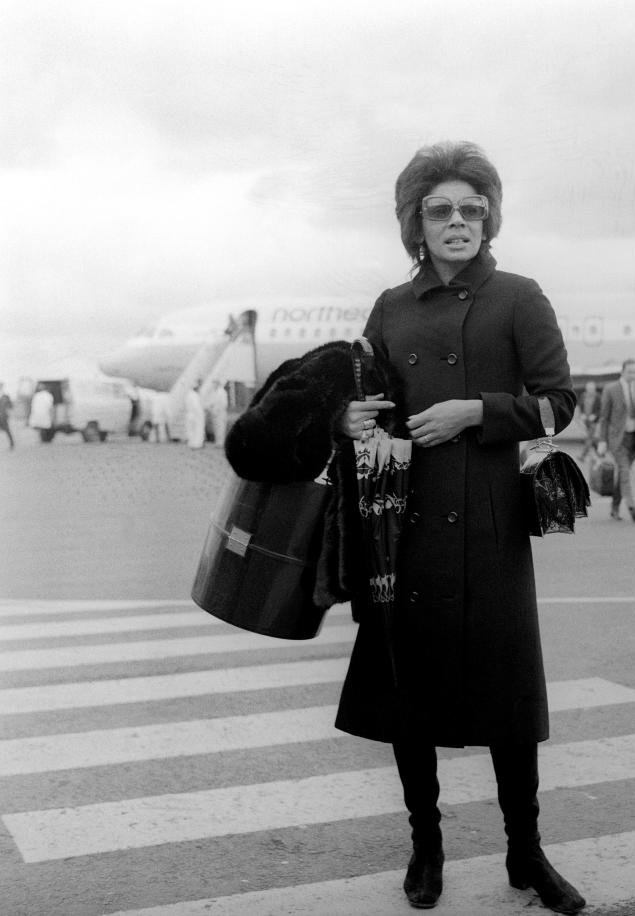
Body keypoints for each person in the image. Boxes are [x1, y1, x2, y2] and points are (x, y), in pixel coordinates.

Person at [228, 141, 584, 913]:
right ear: (414, 224)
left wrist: (479, 412)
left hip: (490, 531)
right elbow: (370, 399)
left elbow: (561, 401)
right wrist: (348, 416)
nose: (458, 222)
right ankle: (427, 846)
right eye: (440, 210)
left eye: (472, 208)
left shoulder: (520, 297)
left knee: (508, 700)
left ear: (489, 218)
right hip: (404, 530)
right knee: (407, 700)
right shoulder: (390, 308)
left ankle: (526, 852)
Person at [597, 359, 635, 522]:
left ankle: (614, 509)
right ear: (622, 372)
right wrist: (602, 441)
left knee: (624, 474)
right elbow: (604, 418)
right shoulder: (611, 389)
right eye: (630, 372)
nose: (633, 375)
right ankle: (632, 505)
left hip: (634, 439)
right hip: (617, 439)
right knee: (624, 471)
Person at [577, 380, 601, 459]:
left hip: (593, 421)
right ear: (586, 388)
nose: (590, 390)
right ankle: (599, 451)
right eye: (589, 388)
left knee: (589, 438)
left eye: (592, 388)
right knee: (591, 437)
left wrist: (595, 415)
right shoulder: (583, 396)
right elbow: (580, 406)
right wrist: (582, 414)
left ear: (594, 389)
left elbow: (601, 409)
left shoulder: (598, 396)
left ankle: (583, 456)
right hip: (585, 420)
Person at [207, 380, 229, 447]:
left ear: (217, 384)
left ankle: (221, 442)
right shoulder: (213, 392)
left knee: (221, 427)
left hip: (220, 413)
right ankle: (218, 442)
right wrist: (210, 408)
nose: (213, 385)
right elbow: (211, 402)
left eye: (214, 384)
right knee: (216, 428)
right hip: (214, 413)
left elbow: (224, 404)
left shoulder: (222, 392)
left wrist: (217, 409)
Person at [185, 382, 205, 449]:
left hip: (189, 414)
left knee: (191, 430)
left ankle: (191, 443)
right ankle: (197, 444)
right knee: (197, 430)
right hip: (196, 415)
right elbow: (196, 407)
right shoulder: (195, 396)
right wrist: (201, 415)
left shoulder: (188, 395)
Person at [0, 382, 14, 449]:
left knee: (7, 430)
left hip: (3, 416)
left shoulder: (5, 396)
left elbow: (11, 406)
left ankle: (12, 444)